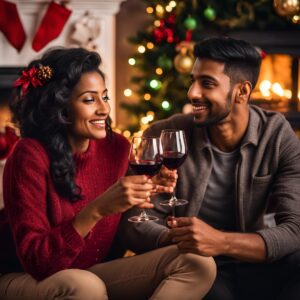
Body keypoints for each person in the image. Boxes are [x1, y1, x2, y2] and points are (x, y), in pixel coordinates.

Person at [0, 47, 216, 300]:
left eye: (105, 97)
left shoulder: (117, 148)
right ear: (59, 106)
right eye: (90, 100)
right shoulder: (29, 155)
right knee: (86, 286)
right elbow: (38, 262)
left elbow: (122, 213)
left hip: (92, 272)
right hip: (25, 277)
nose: (104, 109)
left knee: (198, 263)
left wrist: (145, 190)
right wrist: (97, 209)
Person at [120, 37, 300, 300]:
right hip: (200, 266)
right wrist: (185, 239)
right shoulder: (164, 135)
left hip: (257, 259)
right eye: (193, 80)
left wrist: (221, 241)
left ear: (242, 92)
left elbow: (295, 229)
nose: (192, 93)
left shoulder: (278, 135)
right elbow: (133, 224)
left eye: (207, 83)